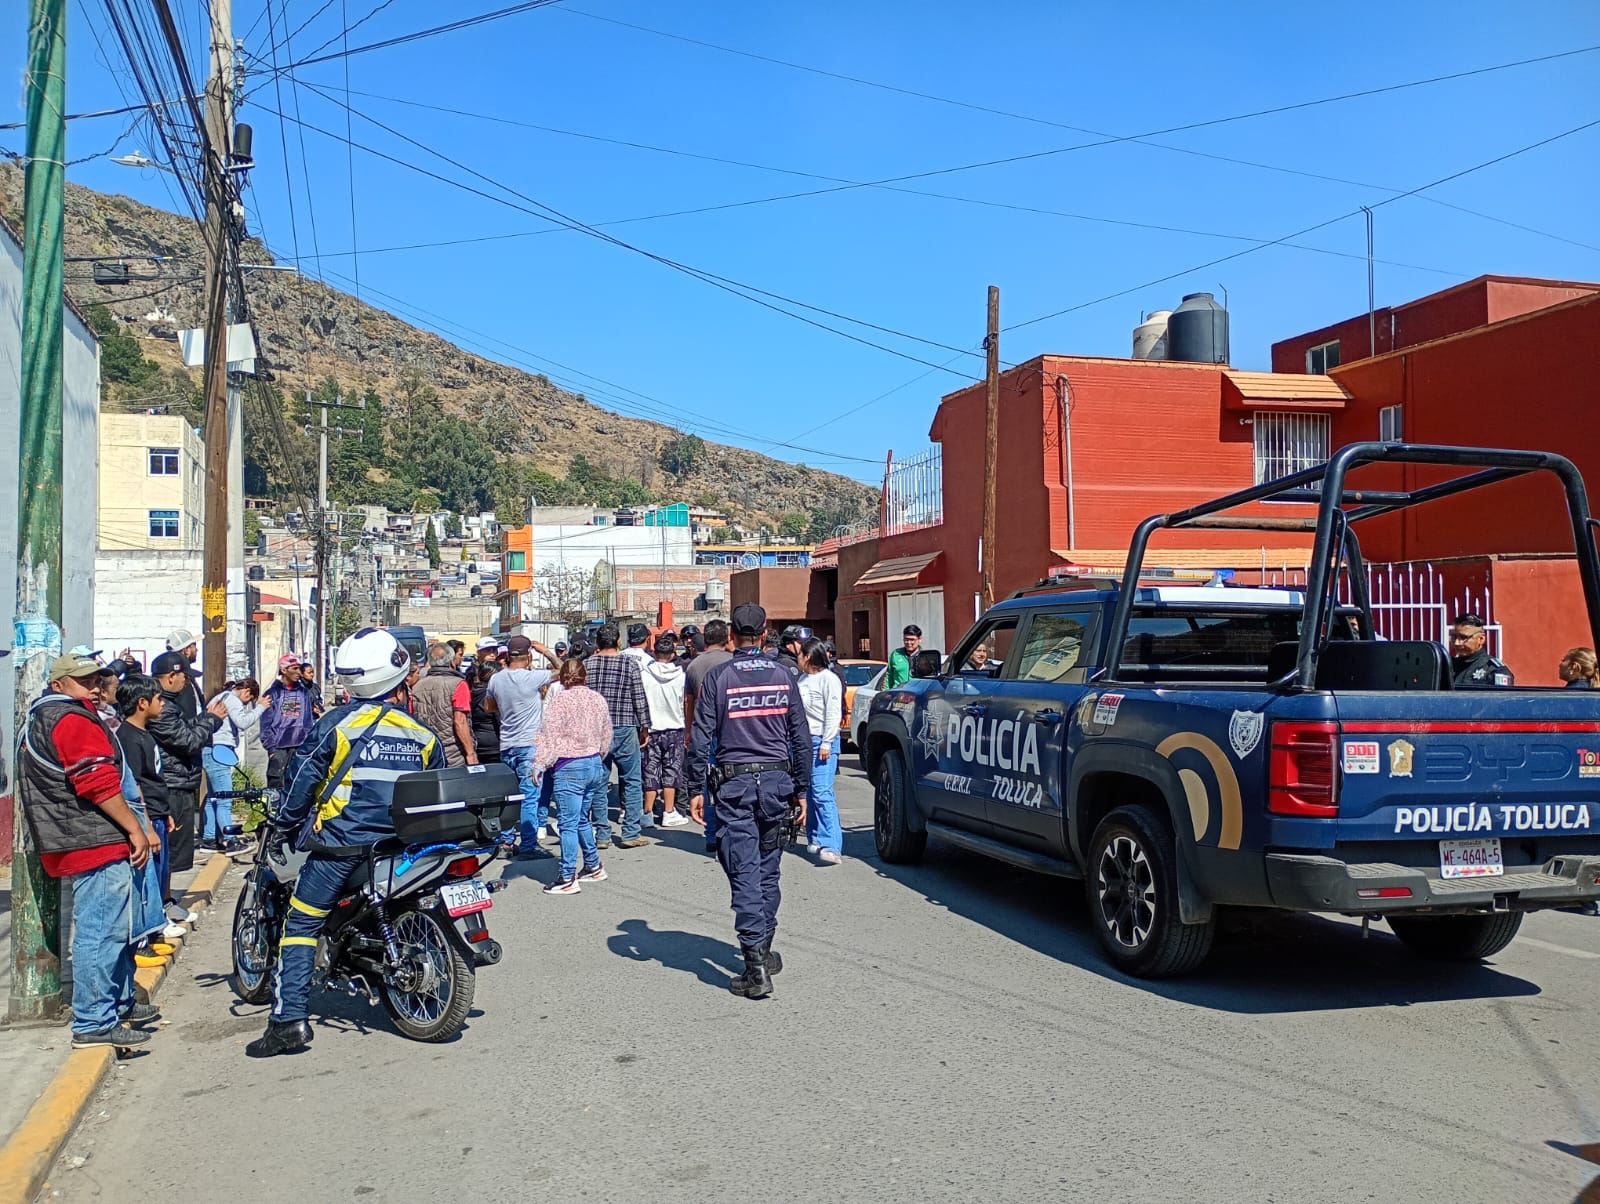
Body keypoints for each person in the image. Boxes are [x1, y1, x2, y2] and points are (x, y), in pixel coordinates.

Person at [246, 628, 444, 1058]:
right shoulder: (422, 734)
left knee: (300, 924)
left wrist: (283, 825)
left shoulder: (336, 725)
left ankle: (288, 1022)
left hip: (341, 848)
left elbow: (301, 783)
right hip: (402, 848)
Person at [16, 652, 158, 1049]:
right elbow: (97, 782)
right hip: (91, 838)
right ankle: (94, 1020)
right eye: (85, 681)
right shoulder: (70, 719)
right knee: (101, 931)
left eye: (97, 680)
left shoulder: (48, 716)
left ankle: (117, 1003)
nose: (94, 688)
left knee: (117, 929)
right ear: (58, 685)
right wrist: (135, 829)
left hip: (80, 836)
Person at [685, 603, 811, 999]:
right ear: (764, 631)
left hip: (735, 788)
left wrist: (694, 789)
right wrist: (802, 790)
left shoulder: (719, 678)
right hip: (776, 786)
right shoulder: (783, 676)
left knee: (744, 873)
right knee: (768, 872)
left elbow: (700, 739)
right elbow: (801, 738)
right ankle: (764, 949)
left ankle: (756, 966)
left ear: (731, 635)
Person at [149, 651, 228, 904]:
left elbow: (184, 730)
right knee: (168, 852)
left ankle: (166, 899)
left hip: (179, 783)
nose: (187, 682)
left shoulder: (170, 705)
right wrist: (212, 721)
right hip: (171, 784)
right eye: (185, 676)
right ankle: (162, 902)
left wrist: (204, 718)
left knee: (173, 853)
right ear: (171, 676)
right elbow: (187, 741)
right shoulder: (161, 707)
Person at [532, 658, 614, 894]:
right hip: (594, 762)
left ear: (562, 678)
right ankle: (593, 865)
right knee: (581, 818)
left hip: (569, 765)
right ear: (584, 676)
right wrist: (599, 753)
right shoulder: (597, 698)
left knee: (567, 823)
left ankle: (567, 876)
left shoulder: (561, 700)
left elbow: (549, 736)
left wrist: (540, 763)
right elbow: (607, 733)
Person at [484, 634, 560, 857]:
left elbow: (489, 707)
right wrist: (546, 652)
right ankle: (528, 845)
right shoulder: (534, 677)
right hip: (529, 745)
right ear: (528, 655)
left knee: (510, 797)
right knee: (530, 797)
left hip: (507, 744)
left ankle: (506, 842)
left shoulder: (496, 679)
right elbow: (565, 670)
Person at [586, 623, 653, 848]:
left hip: (597, 729)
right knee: (632, 780)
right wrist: (645, 726)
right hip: (625, 726)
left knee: (599, 782)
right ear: (618, 641)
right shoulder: (629, 664)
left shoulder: (588, 665)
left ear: (597, 642)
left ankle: (602, 834)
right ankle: (630, 832)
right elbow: (639, 697)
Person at [684, 618, 735, 852]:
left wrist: (689, 730)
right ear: (727, 638)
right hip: (733, 729)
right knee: (733, 779)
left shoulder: (694, 665)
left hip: (705, 729)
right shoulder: (733, 661)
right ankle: (732, 829)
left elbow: (689, 702)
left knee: (709, 780)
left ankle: (711, 832)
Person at [202, 677, 264, 855]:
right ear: (247, 692)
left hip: (209, 749)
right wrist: (260, 707)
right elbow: (242, 723)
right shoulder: (233, 700)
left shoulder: (221, 697)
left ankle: (209, 839)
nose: (246, 704)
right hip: (220, 750)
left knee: (214, 797)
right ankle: (231, 841)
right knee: (225, 799)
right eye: (248, 700)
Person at [797, 638, 844, 864]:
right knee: (810, 791)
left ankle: (831, 844)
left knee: (822, 792)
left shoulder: (829, 679)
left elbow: (833, 712)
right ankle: (814, 836)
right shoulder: (803, 679)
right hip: (805, 741)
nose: (798, 658)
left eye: (800, 654)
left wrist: (827, 742)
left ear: (808, 656)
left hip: (823, 740)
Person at [641, 633, 689, 827]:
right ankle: (669, 811)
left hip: (652, 728)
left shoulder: (645, 674)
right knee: (672, 770)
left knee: (650, 770)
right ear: (673, 654)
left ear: (654, 653)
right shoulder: (681, 676)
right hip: (675, 727)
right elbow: (685, 701)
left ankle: (647, 812)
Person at [412, 643, 477, 768]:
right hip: (454, 753)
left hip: (426, 750)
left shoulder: (417, 686)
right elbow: (460, 721)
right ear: (451, 660)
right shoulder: (459, 684)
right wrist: (471, 753)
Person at [260, 655, 314, 789]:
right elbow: (265, 724)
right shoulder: (273, 693)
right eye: (294, 668)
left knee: (297, 784)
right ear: (284, 670)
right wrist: (271, 748)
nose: (298, 672)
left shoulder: (303, 693)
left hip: (299, 745)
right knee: (276, 784)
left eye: (299, 669)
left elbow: (308, 721)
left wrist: (308, 744)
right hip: (278, 746)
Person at [1448, 613, 1513, 688]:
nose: (1456, 643)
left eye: (1463, 637)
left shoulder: (1494, 670)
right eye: (1453, 636)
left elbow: (1502, 695)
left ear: (1481, 639)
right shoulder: (1448, 667)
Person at [468, 658, 503, 763]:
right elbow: (500, 722)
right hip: (495, 746)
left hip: (477, 744)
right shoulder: (492, 696)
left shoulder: (471, 693)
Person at [884, 624, 922, 689]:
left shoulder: (925, 656)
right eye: (906, 639)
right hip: (898, 693)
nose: (908, 642)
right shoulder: (896, 654)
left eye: (912, 640)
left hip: (918, 693)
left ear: (919, 639)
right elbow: (889, 677)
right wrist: (886, 692)